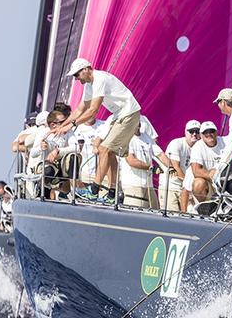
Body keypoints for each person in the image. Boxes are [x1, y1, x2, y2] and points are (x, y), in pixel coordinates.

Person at [53, 58, 141, 201]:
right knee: (109, 152)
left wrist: (72, 125)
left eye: (77, 75)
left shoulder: (99, 79)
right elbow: (80, 109)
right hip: (120, 115)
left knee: (103, 149)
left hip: (128, 113)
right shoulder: (89, 85)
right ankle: (113, 193)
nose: (76, 79)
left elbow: (93, 111)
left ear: (86, 69)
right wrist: (62, 125)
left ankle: (93, 191)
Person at [120, 117, 166, 208]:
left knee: (156, 211)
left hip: (148, 185)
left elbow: (160, 154)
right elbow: (131, 161)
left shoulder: (146, 136)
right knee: (135, 216)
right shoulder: (126, 138)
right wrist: (151, 167)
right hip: (133, 185)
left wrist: (172, 167)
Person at [186, 121, 227, 213]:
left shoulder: (226, 141)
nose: (209, 134)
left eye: (211, 131)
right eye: (205, 132)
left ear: (216, 132)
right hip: (209, 183)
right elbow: (196, 171)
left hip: (226, 182)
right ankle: (203, 208)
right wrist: (212, 175)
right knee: (198, 183)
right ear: (201, 135)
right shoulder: (197, 147)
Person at [162, 120, 199, 212]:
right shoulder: (176, 144)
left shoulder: (200, 147)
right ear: (186, 132)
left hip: (186, 188)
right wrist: (190, 185)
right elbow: (175, 167)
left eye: (197, 131)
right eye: (191, 131)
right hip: (171, 186)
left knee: (191, 214)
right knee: (172, 215)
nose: (194, 134)